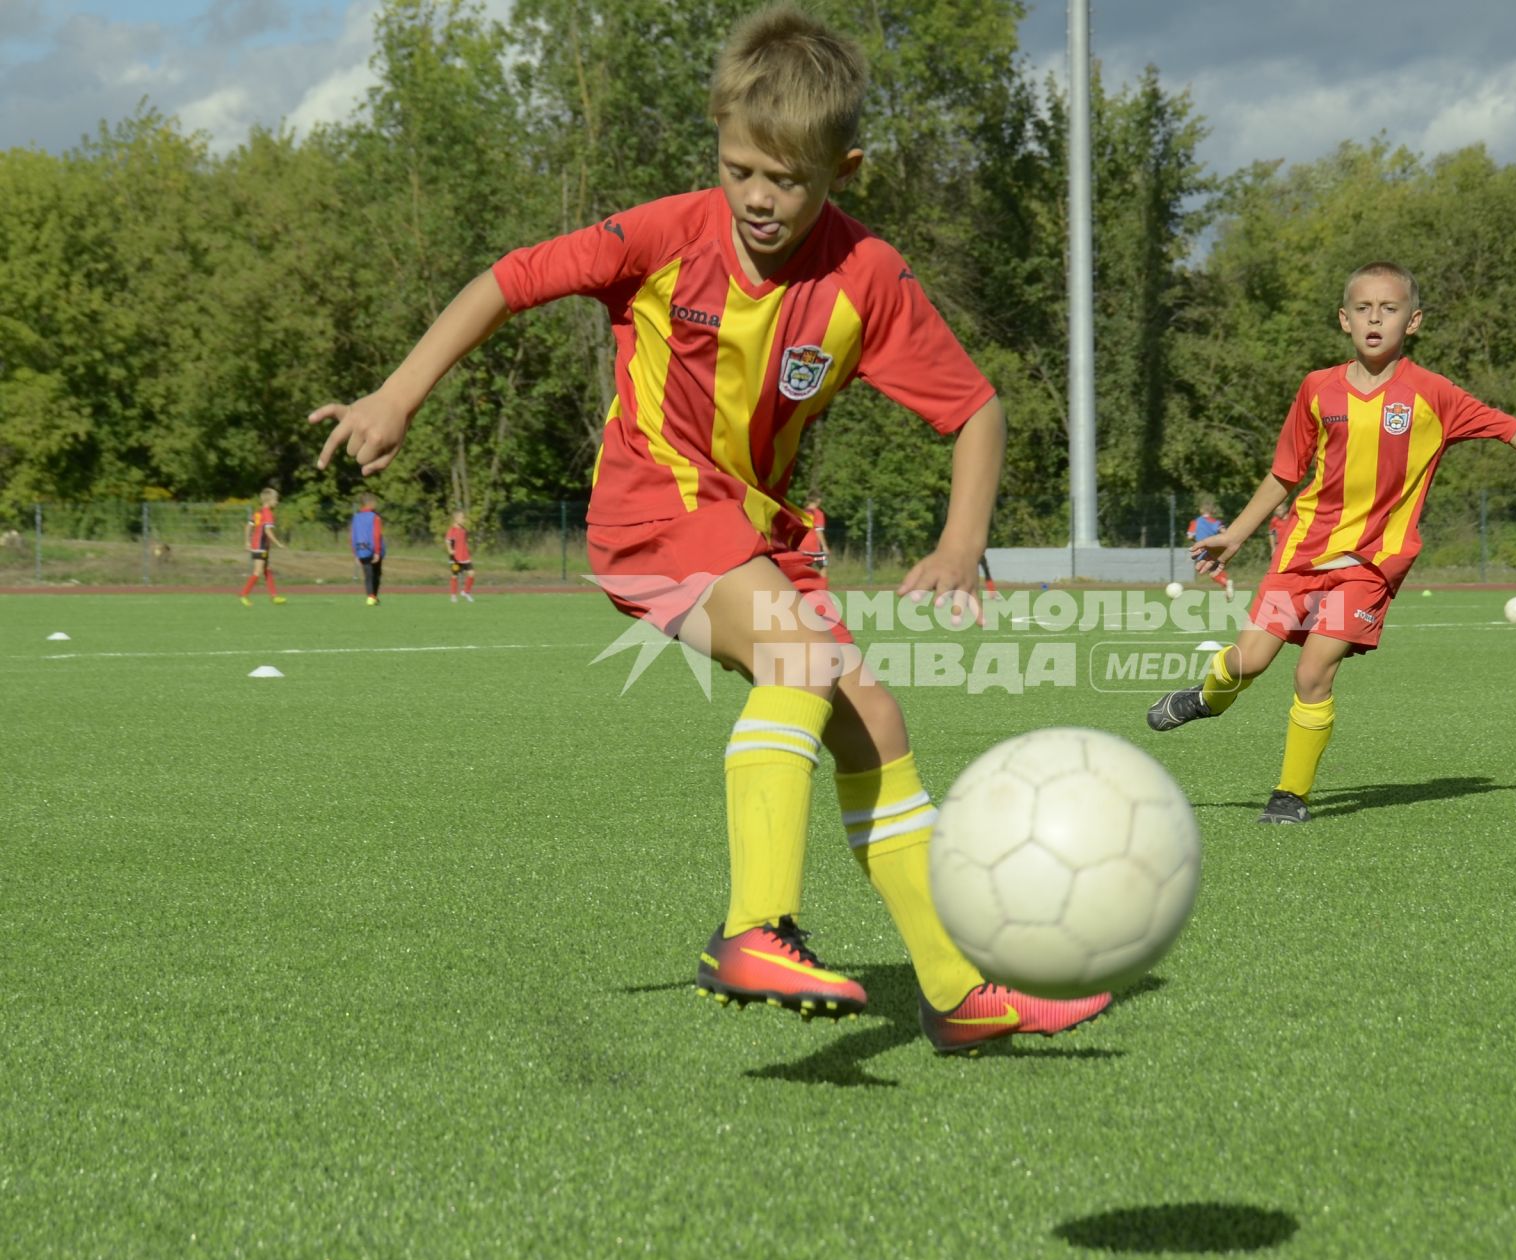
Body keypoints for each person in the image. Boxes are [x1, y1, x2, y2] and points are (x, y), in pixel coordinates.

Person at [309, 4, 1107, 1054]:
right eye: (740, 170)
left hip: (758, 531)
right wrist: (398, 394)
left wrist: (962, 544)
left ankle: (957, 992)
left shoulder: (866, 276)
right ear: (718, 147)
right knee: (803, 659)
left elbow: (977, 409)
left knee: (873, 712)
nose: (761, 199)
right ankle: (753, 928)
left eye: (789, 180)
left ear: (845, 167)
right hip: (652, 505)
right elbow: (508, 280)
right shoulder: (663, 235)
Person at [1145, 261, 1516, 824]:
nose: (1375, 318)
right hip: (1301, 554)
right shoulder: (1317, 389)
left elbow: (1511, 428)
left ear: (1412, 322)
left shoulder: (1434, 395)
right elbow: (1285, 473)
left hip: (1371, 564)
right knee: (1247, 663)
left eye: (1388, 309)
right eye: (1363, 308)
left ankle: (1290, 795)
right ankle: (1206, 698)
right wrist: (1237, 535)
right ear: (1344, 319)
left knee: (1313, 672)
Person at [239, 486, 288, 605]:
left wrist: (247, 541)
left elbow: (248, 526)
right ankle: (244, 595)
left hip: (259, 545)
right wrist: (278, 543)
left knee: (267, 570)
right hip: (260, 546)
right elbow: (267, 531)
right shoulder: (268, 514)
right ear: (269, 501)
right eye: (276, 499)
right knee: (257, 572)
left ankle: (274, 596)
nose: (277, 502)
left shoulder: (258, 512)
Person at [1186, 502, 1234, 601]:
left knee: (1212, 573)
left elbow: (1190, 536)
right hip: (1216, 549)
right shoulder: (1216, 522)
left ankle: (1226, 583)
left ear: (1201, 511)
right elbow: (1225, 533)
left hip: (1203, 551)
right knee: (1217, 569)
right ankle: (1226, 587)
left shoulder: (1195, 522)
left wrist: (1195, 540)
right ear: (1212, 511)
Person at [349, 493, 385, 606]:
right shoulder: (375, 517)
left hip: (361, 549)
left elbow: (353, 535)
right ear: (371, 503)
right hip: (374, 549)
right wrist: (377, 552)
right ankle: (373, 596)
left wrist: (355, 553)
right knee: (376, 573)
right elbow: (377, 535)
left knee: (367, 573)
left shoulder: (356, 517)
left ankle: (371, 596)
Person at [446, 510, 475, 602]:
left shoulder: (464, 530)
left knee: (472, 573)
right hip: (455, 558)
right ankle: (453, 595)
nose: (464, 520)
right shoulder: (452, 530)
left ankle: (466, 592)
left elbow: (464, 541)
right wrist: (450, 550)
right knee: (454, 575)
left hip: (465, 557)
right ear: (456, 518)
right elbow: (447, 541)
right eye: (462, 518)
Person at [798, 492, 828, 574]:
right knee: (823, 566)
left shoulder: (801, 512)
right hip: (814, 546)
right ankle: (822, 586)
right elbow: (819, 531)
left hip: (802, 545)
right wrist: (824, 546)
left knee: (805, 567)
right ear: (818, 500)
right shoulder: (818, 513)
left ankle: (804, 586)